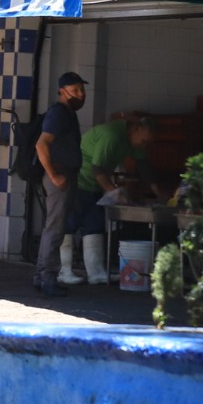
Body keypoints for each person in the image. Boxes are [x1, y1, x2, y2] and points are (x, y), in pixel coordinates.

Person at [63, 116, 153, 287]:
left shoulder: (133, 141)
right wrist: (114, 192)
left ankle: (96, 273)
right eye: (144, 140)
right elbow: (97, 168)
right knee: (69, 224)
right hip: (78, 181)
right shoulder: (111, 135)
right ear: (136, 129)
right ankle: (64, 271)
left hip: (94, 186)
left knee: (94, 226)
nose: (144, 145)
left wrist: (159, 192)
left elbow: (144, 167)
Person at [33, 71, 88, 297]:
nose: (81, 95)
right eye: (75, 91)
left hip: (64, 174)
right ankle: (48, 279)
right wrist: (54, 175)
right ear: (62, 92)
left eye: (82, 90)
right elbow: (41, 145)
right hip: (60, 176)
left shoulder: (66, 114)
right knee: (55, 230)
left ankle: (41, 276)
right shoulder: (59, 114)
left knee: (53, 228)